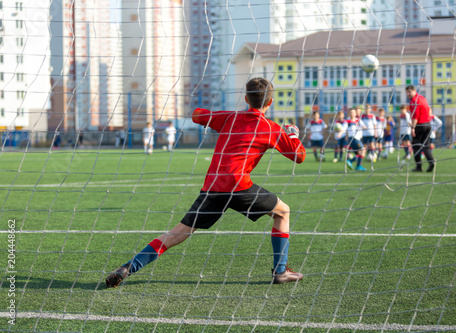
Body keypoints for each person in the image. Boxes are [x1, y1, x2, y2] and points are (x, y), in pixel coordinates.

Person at [106, 78, 306, 288]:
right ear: (271, 102)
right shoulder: (271, 128)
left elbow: (197, 115)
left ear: (246, 98)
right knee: (283, 212)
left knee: (177, 233)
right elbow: (299, 156)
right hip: (239, 187)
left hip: (212, 188)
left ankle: (128, 268)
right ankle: (280, 271)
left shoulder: (229, 118)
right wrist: (292, 134)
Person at [406, 85, 434, 172]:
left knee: (416, 146)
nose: (408, 94)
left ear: (414, 91)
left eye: (409, 92)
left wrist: (413, 128)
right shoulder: (422, 97)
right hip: (428, 124)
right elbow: (429, 109)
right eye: (407, 92)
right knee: (426, 145)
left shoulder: (414, 101)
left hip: (420, 125)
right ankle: (431, 162)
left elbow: (415, 116)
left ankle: (419, 166)